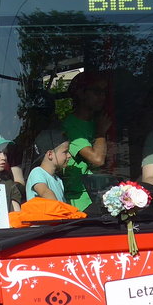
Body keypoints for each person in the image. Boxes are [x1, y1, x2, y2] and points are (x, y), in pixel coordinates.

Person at [61, 71, 112, 210]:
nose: (102, 96)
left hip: (100, 194)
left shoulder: (97, 121)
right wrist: (101, 133)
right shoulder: (71, 125)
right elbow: (97, 159)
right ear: (81, 93)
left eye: (104, 92)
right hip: (81, 201)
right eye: (96, 91)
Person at [26, 128, 70, 202]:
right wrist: (59, 210)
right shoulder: (37, 172)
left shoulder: (58, 180)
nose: (69, 155)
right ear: (50, 154)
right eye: (65, 152)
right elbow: (44, 192)